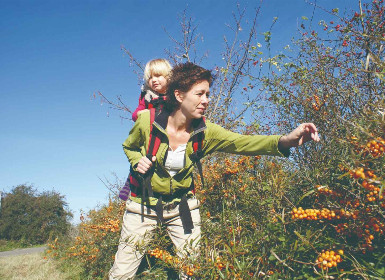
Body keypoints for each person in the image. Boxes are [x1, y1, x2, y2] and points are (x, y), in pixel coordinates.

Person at [109, 62, 320, 279]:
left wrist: (286, 141)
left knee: (191, 270)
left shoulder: (206, 132)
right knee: (122, 272)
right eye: (200, 94)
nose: (206, 100)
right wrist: (137, 161)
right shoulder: (147, 120)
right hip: (143, 205)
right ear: (179, 95)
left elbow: (243, 143)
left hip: (183, 207)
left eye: (208, 94)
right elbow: (130, 146)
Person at [119, 58, 172, 201]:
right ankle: (130, 181)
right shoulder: (147, 95)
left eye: (159, 76)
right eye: (151, 77)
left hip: (167, 133)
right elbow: (136, 113)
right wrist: (142, 114)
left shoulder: (175, 95)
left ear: (169, 77)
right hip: (150, 133)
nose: (154, 80)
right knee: (141, 157)